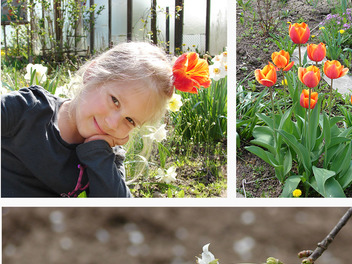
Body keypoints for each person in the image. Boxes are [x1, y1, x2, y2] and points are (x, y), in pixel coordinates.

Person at [2, 42, 208, 198]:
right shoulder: (26, 110)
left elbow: (118, 211)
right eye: (115, 101)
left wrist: (97, 153)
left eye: (130, 120)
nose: (112, 123)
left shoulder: (107, 155)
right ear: (92, 74)